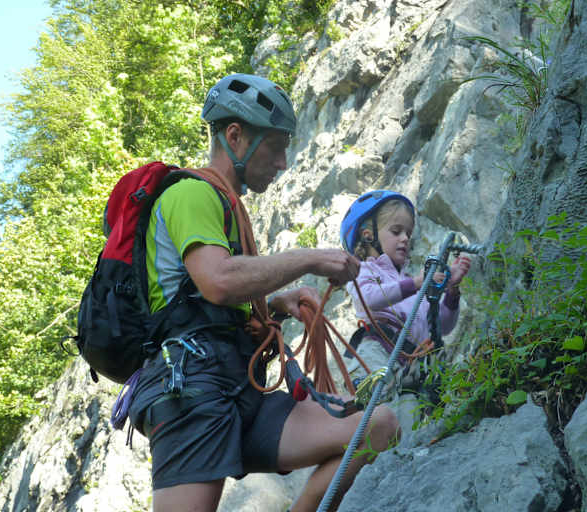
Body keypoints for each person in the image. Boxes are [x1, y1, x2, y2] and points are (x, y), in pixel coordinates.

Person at [127, 74, 399, 512]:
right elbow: (218, 280)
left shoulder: (225, 206)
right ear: (235, 136)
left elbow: (207, 300)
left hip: (238, 386)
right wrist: (309, 258)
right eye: (275, 146)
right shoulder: (190, 194)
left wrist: (275, 305)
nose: (283, 162)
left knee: (376, 424)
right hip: (191, 393)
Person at [340, 191, 472, 393]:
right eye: (396, 231)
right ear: (368, 235)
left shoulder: (411, 283)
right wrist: (416, 283)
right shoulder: (363, 270)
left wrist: (452, 291)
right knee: (379, 404)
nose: (405, 238)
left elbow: (442, 326)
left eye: (408, 234)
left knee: (405, 412)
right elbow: (369, 299)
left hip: (411, 365)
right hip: (378, 352)